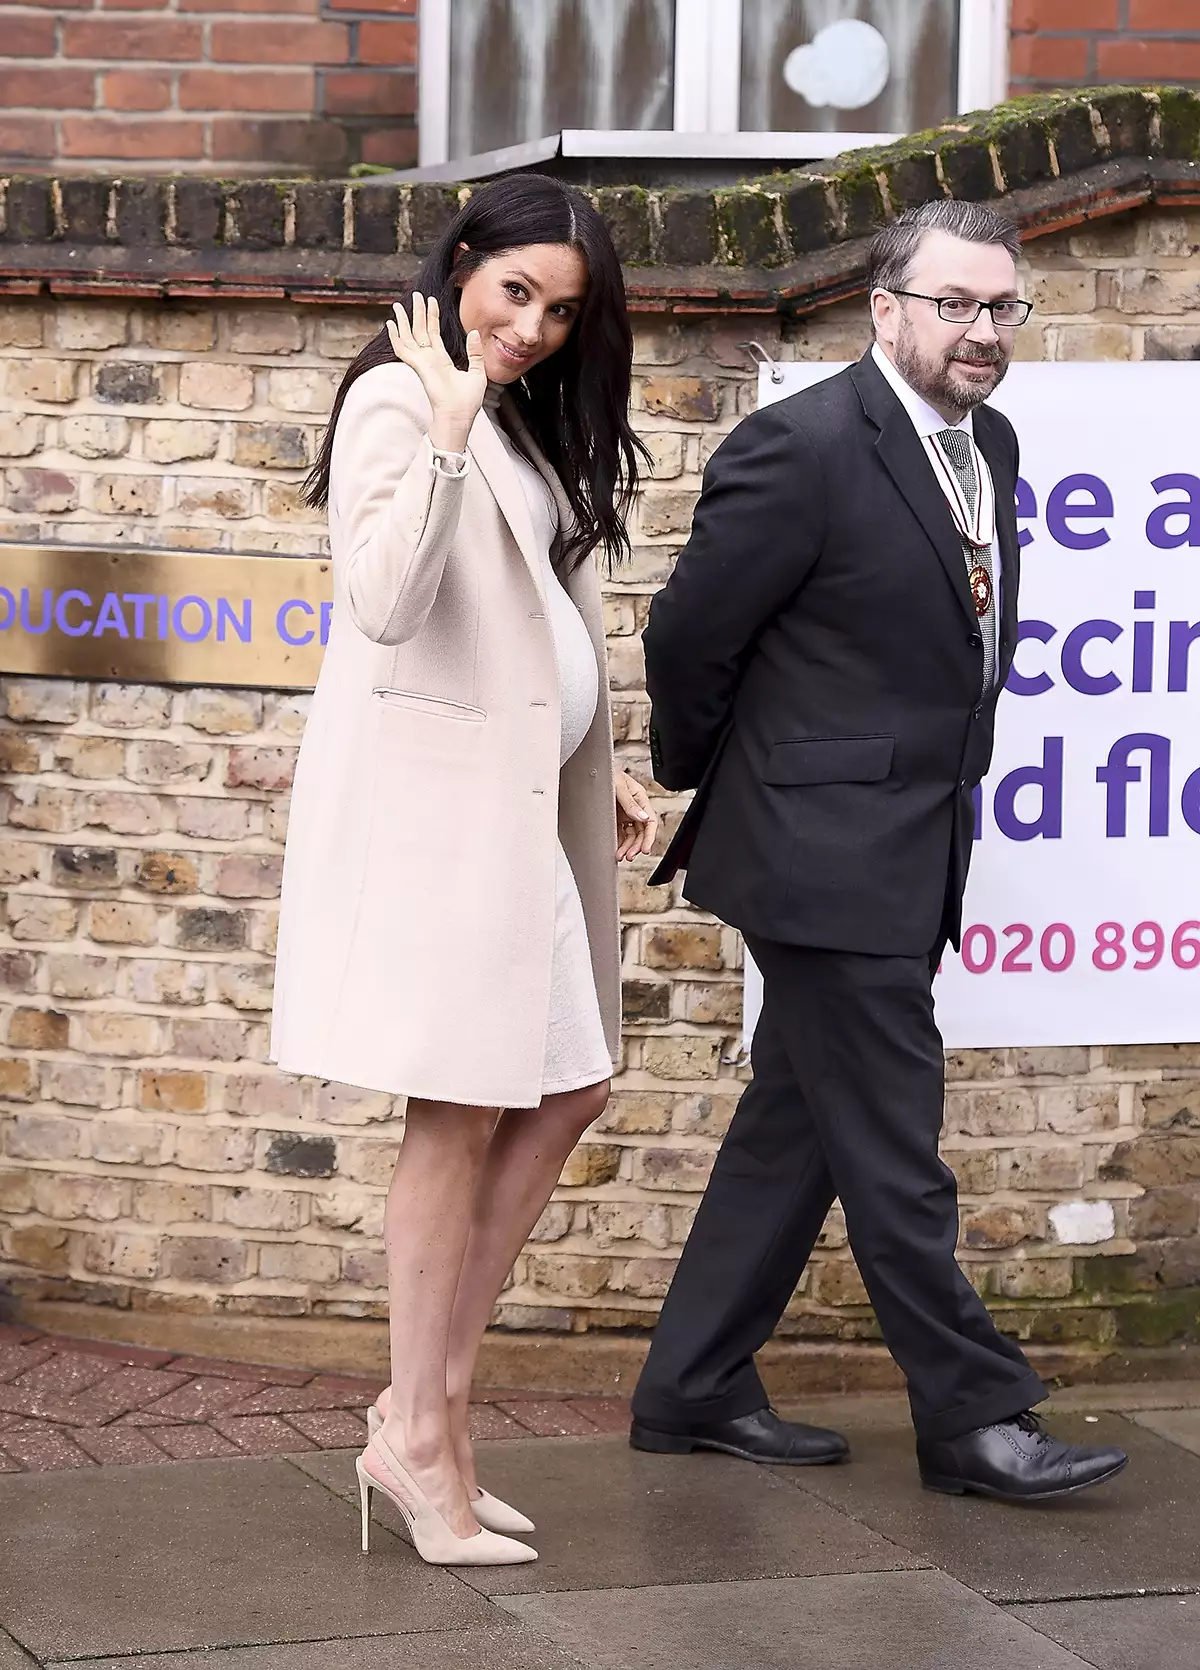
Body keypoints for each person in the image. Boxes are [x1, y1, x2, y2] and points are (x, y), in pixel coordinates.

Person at [629, 198, 1127, 1504]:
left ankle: (691, 1385)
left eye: (1001, 306)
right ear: (885, 308)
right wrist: (709, 777)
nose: (982, 330)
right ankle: (974, 1414)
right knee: (897, 1142)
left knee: (795, 1128)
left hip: (910, 842)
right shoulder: (799, 448)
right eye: (955, 304)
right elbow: (688, 639)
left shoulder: (993, 443)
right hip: (818, 855)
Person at [271, 173, 657, 1565]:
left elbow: (525, 615)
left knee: (571, 1081)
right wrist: (443, 428)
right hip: (439, 822)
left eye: (563, 310)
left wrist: (589, 750)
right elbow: (385, 598)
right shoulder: (403, 399)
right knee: (462, 1109)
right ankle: (422, 1436)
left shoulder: (524, 418)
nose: (536, 328)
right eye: (517, 292)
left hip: (521, 807)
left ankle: (425, 1407)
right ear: (464, 265)